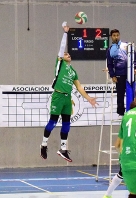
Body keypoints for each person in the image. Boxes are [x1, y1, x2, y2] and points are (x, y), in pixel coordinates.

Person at [40, 22, 98, 162]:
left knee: (67, 123)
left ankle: (63, 149)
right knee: (53, 122)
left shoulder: (73, 72)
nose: (67, 54)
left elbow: (79, 87)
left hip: (67, 98)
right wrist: (65, 32)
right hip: (58, 96)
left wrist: (89, 98)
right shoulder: (59, 64)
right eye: (65, 54)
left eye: (68, 54)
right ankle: (43, 144)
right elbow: (61, 48)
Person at [106, 29, 136, 116]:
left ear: (119, 35)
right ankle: (121, 113)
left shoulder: (126, 45)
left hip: (130, 74)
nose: (116, 37)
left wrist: (135, 67)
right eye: (114, 35)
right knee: (120, 94)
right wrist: (112, 75)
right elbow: (109, 64)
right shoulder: (110, 50)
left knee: (131, 92)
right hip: (119, 75)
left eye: (117, 35)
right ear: (111, 37)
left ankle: (132, 110)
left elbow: (134, 56)